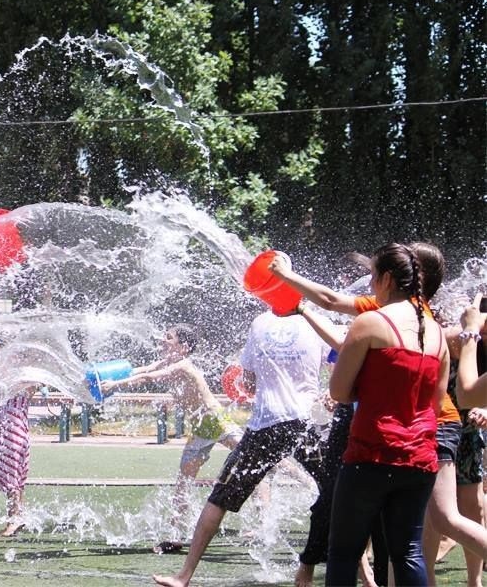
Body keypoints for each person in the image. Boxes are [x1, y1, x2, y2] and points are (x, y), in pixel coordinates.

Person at [152, 311, 330, 587]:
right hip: (306, 422)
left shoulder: (259, 323)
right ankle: (357, 570)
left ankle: (183, 576)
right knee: (339, 489)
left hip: (265, 425)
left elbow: (247, 382)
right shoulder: (314, 321)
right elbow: (337, 361)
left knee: (219, 498)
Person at [322, 243, 452, 586]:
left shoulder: (370, 323)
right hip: (420, 459)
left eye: (373, 277)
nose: (369, 285)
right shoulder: (437, 333)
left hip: (371, 453)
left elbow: (338, 392)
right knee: (407, 552)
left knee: (343, 553)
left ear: (388, 279)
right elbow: (436, 405)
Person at [101, 325, 243, 550]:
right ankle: (177, 533)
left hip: (214, 420)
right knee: (183, 482)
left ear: (184, 347)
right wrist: (108, 375)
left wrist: (115, 385)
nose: (163, 340)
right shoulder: (167, 362)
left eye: (169, 338)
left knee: (253, 457)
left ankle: (295, 482)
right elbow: (142, 370)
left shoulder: (183, 365)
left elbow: (147, 378)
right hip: (199, 429)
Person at [0, 384, 39, 537]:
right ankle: (18, 514)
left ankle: (14, 519)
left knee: (11, 476)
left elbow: (31, 389)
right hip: (12, 428)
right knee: (16, 477)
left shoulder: (21, 378)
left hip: (13, 431)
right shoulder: (13, 376)